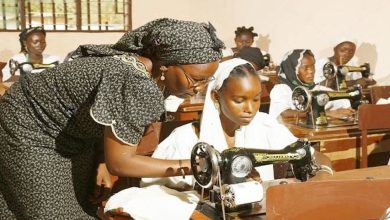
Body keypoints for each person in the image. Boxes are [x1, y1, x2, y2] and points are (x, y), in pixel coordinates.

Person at [0, 18, 224, 219]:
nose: (198, 88)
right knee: (53, 213)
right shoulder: (136, 81)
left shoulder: (152, 76)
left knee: (83, 204)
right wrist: (196, 166)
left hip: (73, 133)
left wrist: (101, 161)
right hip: (28, 127)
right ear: (166, 64)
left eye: (206, 80)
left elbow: (105, 118)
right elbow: (122, 162)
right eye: (195, 79)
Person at [141, 59, 331, 190]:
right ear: (216, 97)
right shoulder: (185, 139)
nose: (250, 109)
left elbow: (313, 155)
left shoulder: (264, 125)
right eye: (239, 100)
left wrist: (323, 176)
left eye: (256, 100)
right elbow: (152, 189)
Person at [269, 49, 354, 119]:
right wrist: (326, 113)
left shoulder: (319, 89)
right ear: (292, 70)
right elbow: (285, 113)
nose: (311, 71)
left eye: (312, 66)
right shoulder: (281, 90)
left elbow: (343, 103)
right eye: (306, 68)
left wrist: (347, 111)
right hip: (283, 134)